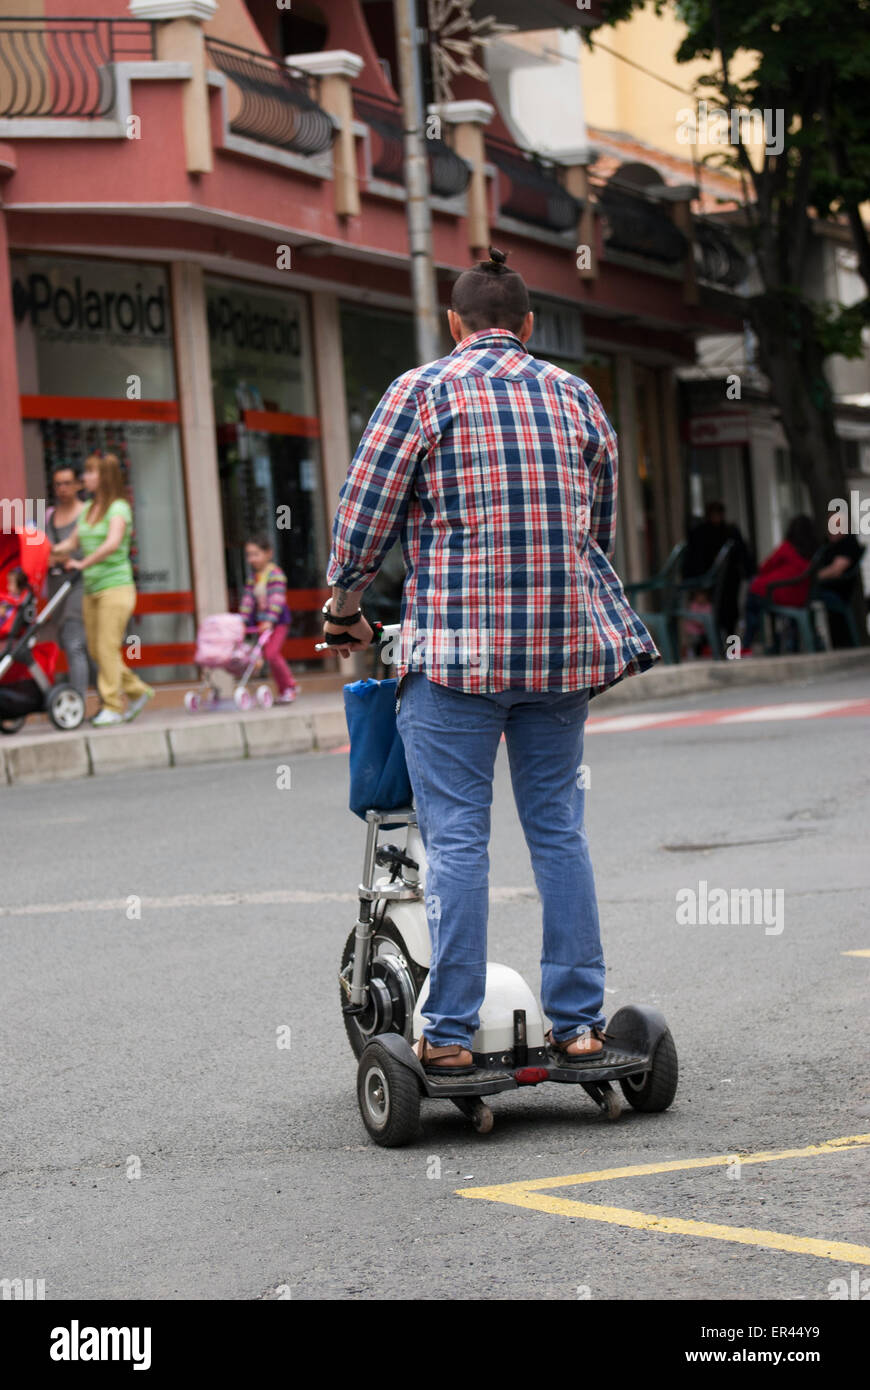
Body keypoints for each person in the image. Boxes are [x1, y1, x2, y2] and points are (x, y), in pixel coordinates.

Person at [323, 246, 658, 1074]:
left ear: (453, 323)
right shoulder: (578, 397)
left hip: (457, 661)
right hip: (561, 655)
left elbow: (363, 521)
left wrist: (344, 609)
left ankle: (448, 1036)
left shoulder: (421, 390)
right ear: (530, 325)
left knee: (459, 840)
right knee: (559, 832)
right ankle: (579, 1026)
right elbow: (598, 531)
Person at [50, 452, 154, 727]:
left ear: (104, 476)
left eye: (90, 472)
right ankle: (137, 691)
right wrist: (45, 552)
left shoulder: (118, 507)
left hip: (115, 588)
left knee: (107, 648)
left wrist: (83, 562)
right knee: (96, 650)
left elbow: (112, 543)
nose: (85, 477)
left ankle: (112, 705)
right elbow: (70, 543)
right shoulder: (88, 509)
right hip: (91, 589)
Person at [45, 463, 91, 697]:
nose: (62, 488)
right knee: (68, 642)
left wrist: (57, 556)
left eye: (66, 483)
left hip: (79, 586)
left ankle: (78, 700)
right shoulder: (50, 516)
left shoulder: (86, 514)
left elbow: (85, 550)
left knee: (75, 643)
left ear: (76, 485)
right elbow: (45, 552)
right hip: (57, 590)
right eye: (58, 484)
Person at [741, 514, 818, 654]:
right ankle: (789, 646)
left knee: (753, 595)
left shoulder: (787, 548)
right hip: (801, 597)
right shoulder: (814, 553)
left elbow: (764, 568)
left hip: (776, 593)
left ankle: (747, 642)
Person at [238, 534, 298, 703]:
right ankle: (284, 690)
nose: (252, 559)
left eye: (256, 554)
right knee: (268, 655)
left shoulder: (275, 574)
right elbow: (248, 600)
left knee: (271, 654)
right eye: (249, 555)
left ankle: (290, 685)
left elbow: (277, 600)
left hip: (278, 622)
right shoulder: (253, 577)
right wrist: (242, 621)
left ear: (268, 553)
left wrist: (270, 621)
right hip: (263, 623)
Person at [682, 500, 754, 640]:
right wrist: (697, 588)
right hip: (707, 584)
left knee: (729, 616)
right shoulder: (700, 534)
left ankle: (730, 647)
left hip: (729, 582)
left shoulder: (730, 532)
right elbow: (693, 560)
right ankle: (710, 645)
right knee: (707, 618)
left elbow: (742, 555)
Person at [816, 512, 864, 647]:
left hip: (835, 592)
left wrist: (813, 577)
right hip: (823, 589)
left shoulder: (848, 543)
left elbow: (836, 570)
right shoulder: (827, 545)